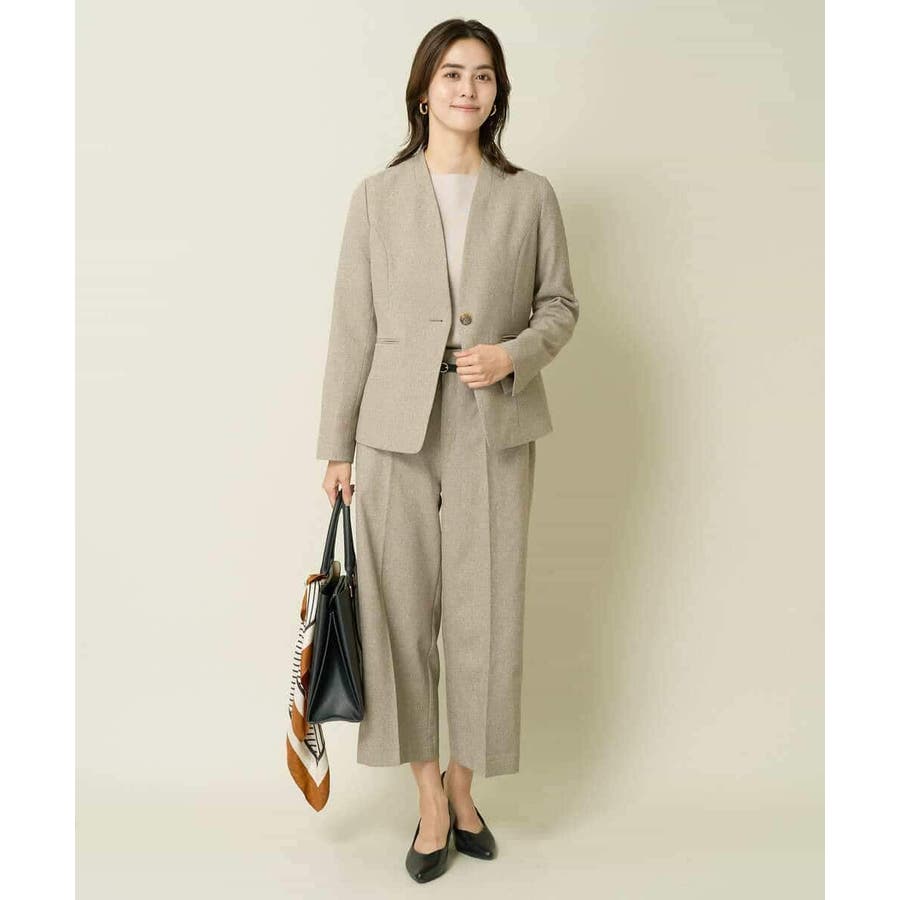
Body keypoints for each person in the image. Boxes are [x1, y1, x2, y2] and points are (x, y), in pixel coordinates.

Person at [315, 18, 579, 883]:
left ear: (498, 95)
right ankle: (428, 797)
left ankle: (467, 790)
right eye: (454, 74)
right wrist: (337, 445)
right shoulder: (376, 197)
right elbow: (353, 326)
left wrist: (513, 356)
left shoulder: (529, 195)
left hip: (493, 419)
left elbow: (559, 305)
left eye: (485, 76)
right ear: (424, 90)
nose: (469, 88)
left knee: (486, 611)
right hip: (392, 429)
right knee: (397, 614)